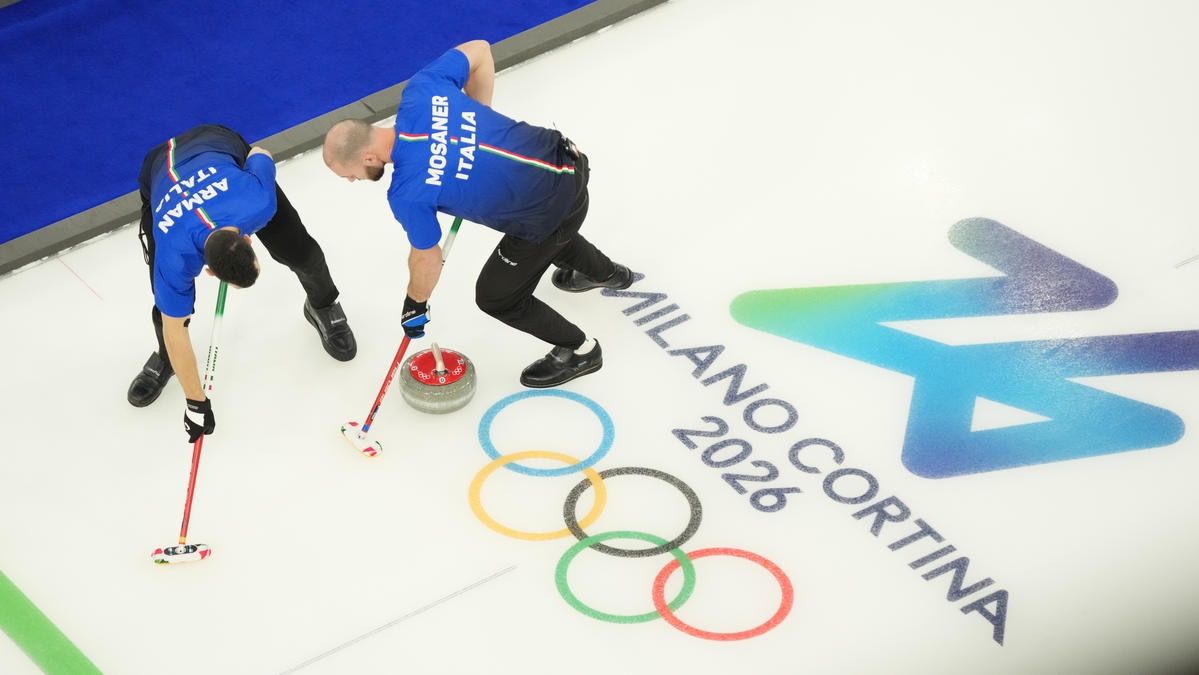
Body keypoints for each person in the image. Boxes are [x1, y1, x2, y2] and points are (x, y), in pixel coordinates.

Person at [321, 40, 632, 388]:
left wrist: (415, 303)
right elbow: (480, 51)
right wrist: (478, 115)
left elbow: (427, 258)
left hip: (550, 213)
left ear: (367, 157)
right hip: (571, 165)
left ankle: (581, 350)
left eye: (349, 174)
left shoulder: (407, 192)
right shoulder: (422, 90)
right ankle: (609, 274)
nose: (352, 180)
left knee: (496, 297)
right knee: (544, 235)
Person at [127, 124, 357, 442]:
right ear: (209, 271)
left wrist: (244, 169)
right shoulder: (174, 257)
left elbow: (259, 153)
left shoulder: (257, 200)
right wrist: (195, 402)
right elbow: (174, 327)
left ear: (249, 238)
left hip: (216, 142)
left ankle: (322, 305)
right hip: (158, 168)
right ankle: (167, 357)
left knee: (302, 252)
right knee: (165, 300)